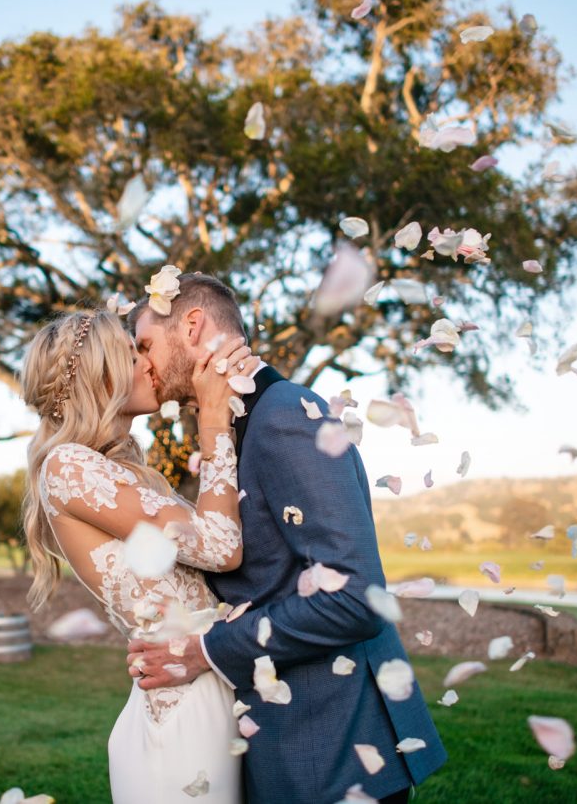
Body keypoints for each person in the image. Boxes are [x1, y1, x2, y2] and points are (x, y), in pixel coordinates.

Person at [125, 272, 446, 803]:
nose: (143, 364)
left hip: (333, 752)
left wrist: (207, 649)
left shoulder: (284, 417)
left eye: (145, 345)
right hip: (295, 742)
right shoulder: (232, 427)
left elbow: (355, 598)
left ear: (192, 325)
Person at [20, 308, 260, 803]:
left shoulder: (112, 469)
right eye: (134, 355)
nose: (150, 364)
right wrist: (213, 420)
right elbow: (220, 546)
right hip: (183, 718)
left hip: (201, 688)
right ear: (102, 375)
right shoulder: (69, 467)